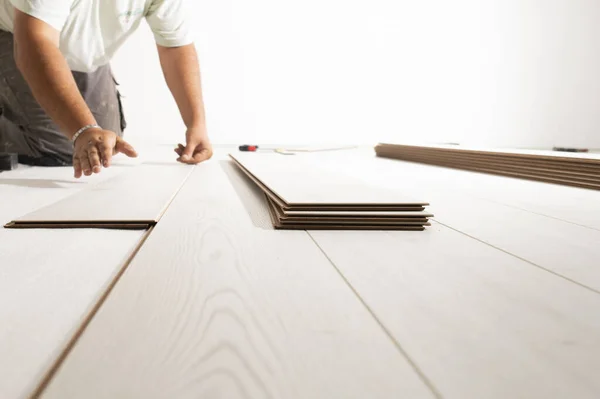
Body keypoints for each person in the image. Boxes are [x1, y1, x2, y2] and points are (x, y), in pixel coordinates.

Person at [0, 0, 212, 178]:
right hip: (18, 34)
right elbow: (35, 40)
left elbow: (174, 46)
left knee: (102, 148)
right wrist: (83, 129)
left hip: (82, 53)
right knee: (58, 148)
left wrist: (196, 123)